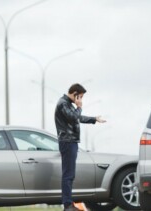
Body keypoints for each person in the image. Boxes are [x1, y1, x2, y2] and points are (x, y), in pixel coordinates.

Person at [54, 83, 106, 211]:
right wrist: (79, 107)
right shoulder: (63, 103)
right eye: (80, 97)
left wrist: (94, 119)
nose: (81, 100)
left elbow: (78, 117)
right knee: (68, 175)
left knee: (70, 174)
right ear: (75, 94)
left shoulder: (67, 104)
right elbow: (74, 118)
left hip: (71, 141)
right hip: (67, 141)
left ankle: (68, 203)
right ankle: (67, 205)